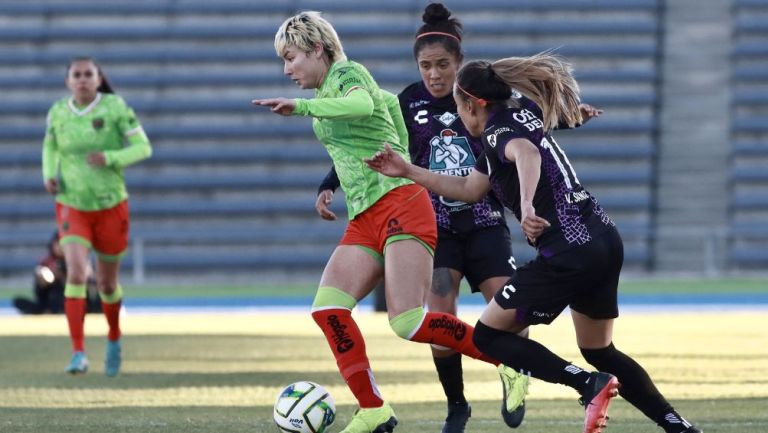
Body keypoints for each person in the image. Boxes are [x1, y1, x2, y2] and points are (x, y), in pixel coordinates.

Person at [365, 53, 702, 433]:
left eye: (461, 109)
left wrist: (526, 205)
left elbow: (525, 154)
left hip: (568, 251)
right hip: (603, 239)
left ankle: (587, 384)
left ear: (474, 105)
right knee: (598, 349)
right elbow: (468, 189)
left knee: (490, 335)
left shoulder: (496, 130)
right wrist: (407, 169)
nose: (460, 119)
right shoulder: (517, 116)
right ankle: (679, 427)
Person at [315, 5, 603, 432]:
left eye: (443, 65)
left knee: (507, 305)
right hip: (436, 224)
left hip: (485, 221)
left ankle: (515, 368)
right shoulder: (405, 103)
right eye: (426, 66)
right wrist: (329, 182)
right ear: (417, 66)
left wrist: (570, 117)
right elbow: (373, 142)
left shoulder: (476, 97)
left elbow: (524, 124)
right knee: (438, 309)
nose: (434, 74)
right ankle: (457, 406)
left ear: (459, 64)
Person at [253, 11, 527, 433]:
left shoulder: (346, 74)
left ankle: (505, 360)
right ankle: (374, 408)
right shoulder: (336, 89)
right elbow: (385, 105)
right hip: (365, 215)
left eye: (291, 58)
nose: (287, 69)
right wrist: (342, 179)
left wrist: (302, 108)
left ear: (316, 50)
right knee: (328, 309)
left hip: (400, 203)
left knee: (407, 320)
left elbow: (363, 102)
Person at [42, 56, 152, 376]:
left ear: (98, 77)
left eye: (88, 74)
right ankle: (78, 353)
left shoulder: (115, 107)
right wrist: (49, 174)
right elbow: (50, 148)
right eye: (76, 75)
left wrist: (111, 157)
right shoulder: (58, 112)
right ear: (68, 81)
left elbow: (143, 147)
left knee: (106, 283)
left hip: (110, 204)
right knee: (76, 273)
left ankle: (114, 338)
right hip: (71, 204)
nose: (82, 80)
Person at [13, 231, 100, 315]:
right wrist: (47, 278)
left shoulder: (80, 261)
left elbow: (92, 280)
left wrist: (79, 275)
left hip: (79, 299)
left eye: (63, 244)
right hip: (53, 300)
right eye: (58, 244)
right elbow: (40, 288)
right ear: (52, 245)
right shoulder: (46, 262)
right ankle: (47, 311)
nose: (61, 248)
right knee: (19, 301)